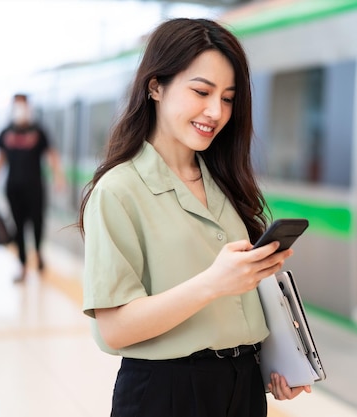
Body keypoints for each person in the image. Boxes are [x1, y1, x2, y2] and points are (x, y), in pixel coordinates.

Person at [76, 18, 311, 417]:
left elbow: (236, 305)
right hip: (167, 393)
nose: (215, 111)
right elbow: (114, 328)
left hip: (243, 386)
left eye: (228, 98)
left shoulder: (224, 181)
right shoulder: (118, 191)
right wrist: (214, 283)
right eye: (201, 91)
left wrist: (275, 362)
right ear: (155, 86)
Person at [0, 93, 65, 282]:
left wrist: (58, 176)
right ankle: (22, 265)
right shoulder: (6, 132)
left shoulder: (39, 131)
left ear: (29, 107)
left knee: (37, 223)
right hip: (13, 188)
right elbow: (0, 160)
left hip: (35, 187)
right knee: (18, 227)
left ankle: (37, 255)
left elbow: (51, 154)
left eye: (23, 105)